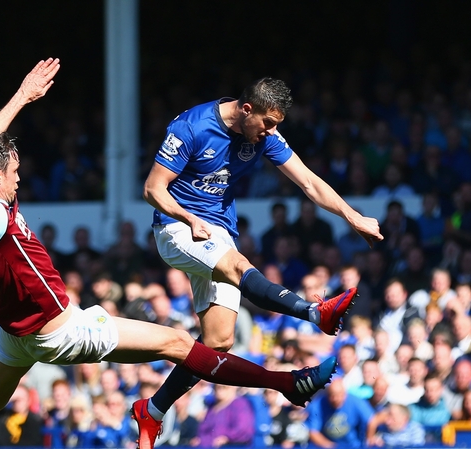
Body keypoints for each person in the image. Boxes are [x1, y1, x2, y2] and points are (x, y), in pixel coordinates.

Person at [0, 59, 338, 449]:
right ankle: (284, 383)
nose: (20, 176)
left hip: (13, 333)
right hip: (59, 329)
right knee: (177, 344)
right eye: (15, 170)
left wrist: (22, 97)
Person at [139, 76, 383, 448]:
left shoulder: (264, 135)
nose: (271, 132)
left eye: (277, 125)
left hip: (218, 231)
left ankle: (152, 412)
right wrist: (189, 219)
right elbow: (152, 189)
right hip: (176, 226)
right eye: (268, 123)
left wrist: (353, 217)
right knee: (238, 266)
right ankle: (316, 313)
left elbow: (309, 182)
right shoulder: (191, 127)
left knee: (218, 342)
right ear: (246, 109)